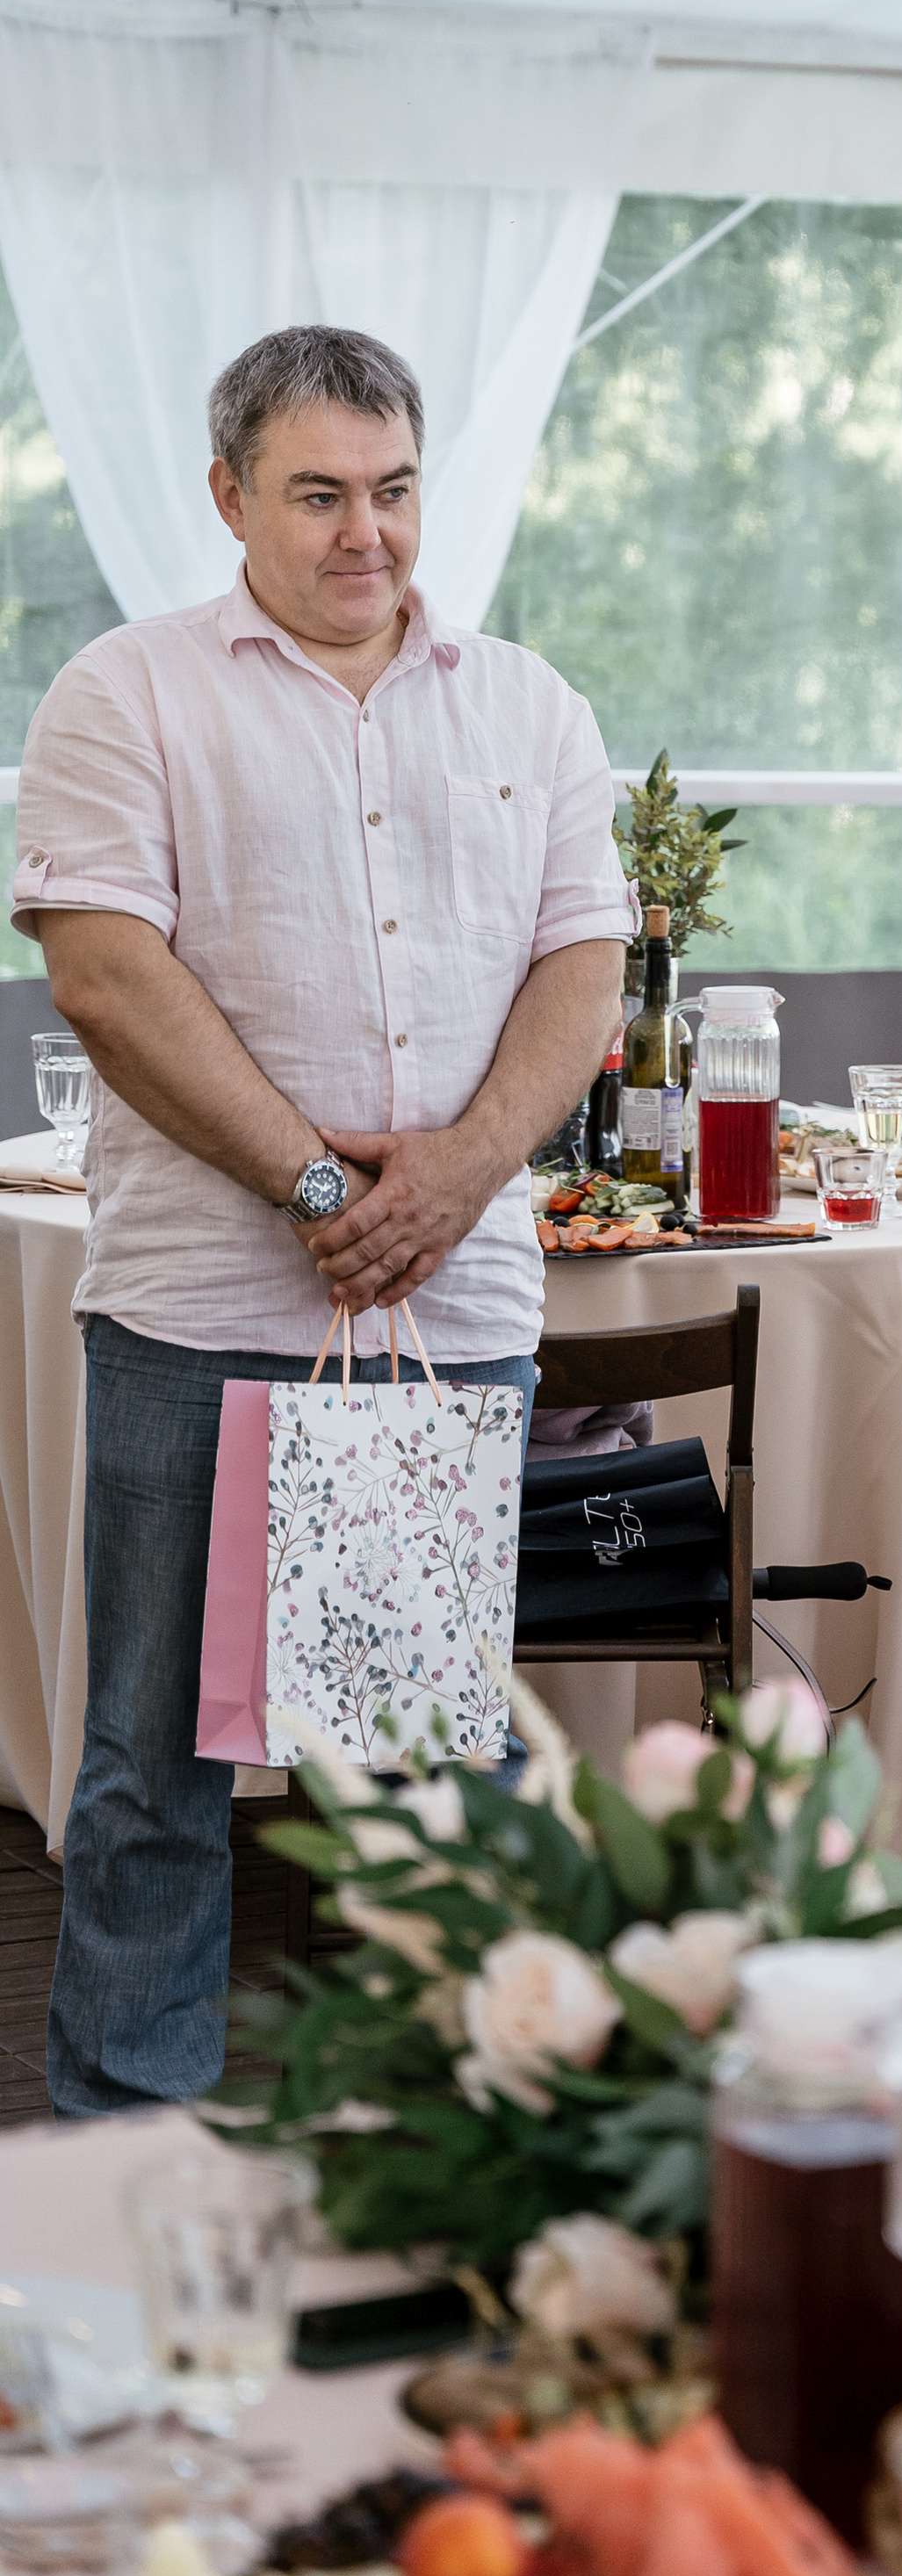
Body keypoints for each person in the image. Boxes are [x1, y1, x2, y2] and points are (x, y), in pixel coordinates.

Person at [16, 326, 633, 2116]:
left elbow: (580, 973)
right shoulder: (125, 694)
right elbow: (108, 980)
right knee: (150, 1772)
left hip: (439, 1325)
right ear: (227, 497)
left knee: (422, 1765)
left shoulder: (529, 704)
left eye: (393, 490)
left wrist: (454, 1174)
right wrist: (312, 1183)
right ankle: (126, 2156)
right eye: (318, 494)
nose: (367, 533)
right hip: (202, 1314)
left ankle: (462, 2153)